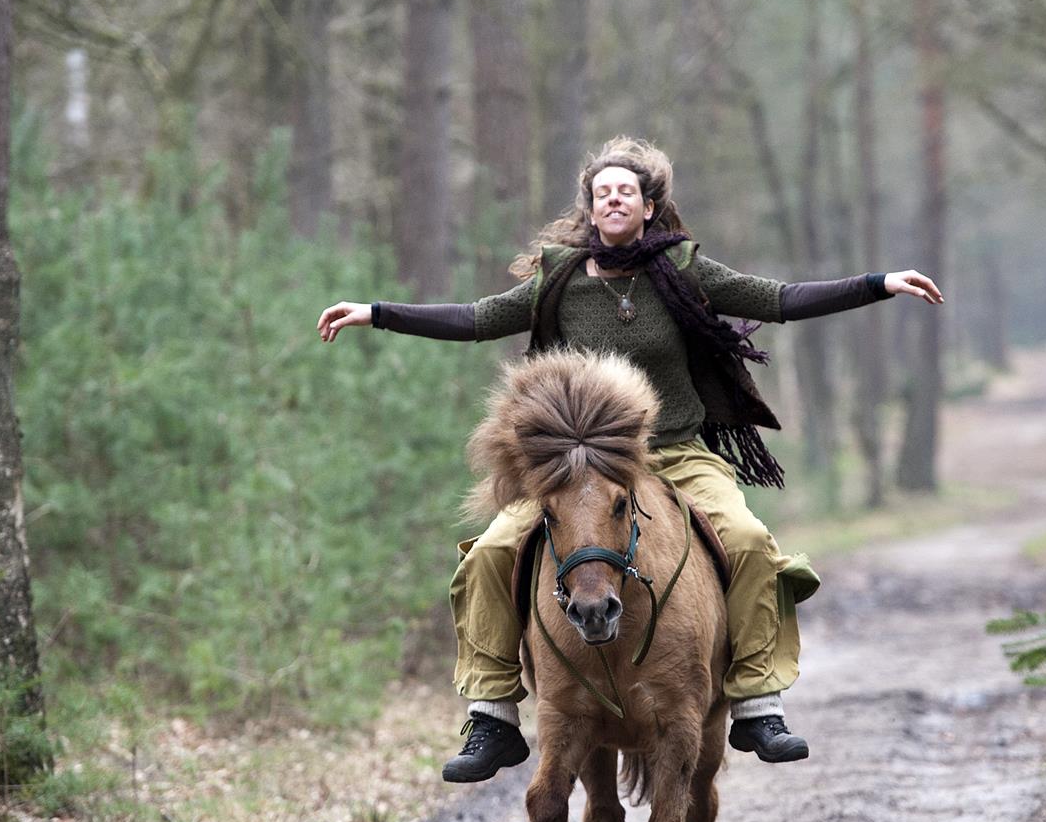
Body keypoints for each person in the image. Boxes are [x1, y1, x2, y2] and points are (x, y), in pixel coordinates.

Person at [316, 136, 942, 784]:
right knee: (492, 553)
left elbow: (778, 299)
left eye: (627, 191)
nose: (613, 199)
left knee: (751, 541)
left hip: (674, 455)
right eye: (602, 192)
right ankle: (492, 711)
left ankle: (757, 699)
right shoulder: (556, 278)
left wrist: (879, 284)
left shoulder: (684, 269)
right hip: (579, 467)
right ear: (590, 207)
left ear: (648, 206)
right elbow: (477, 318)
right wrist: (376, 313)